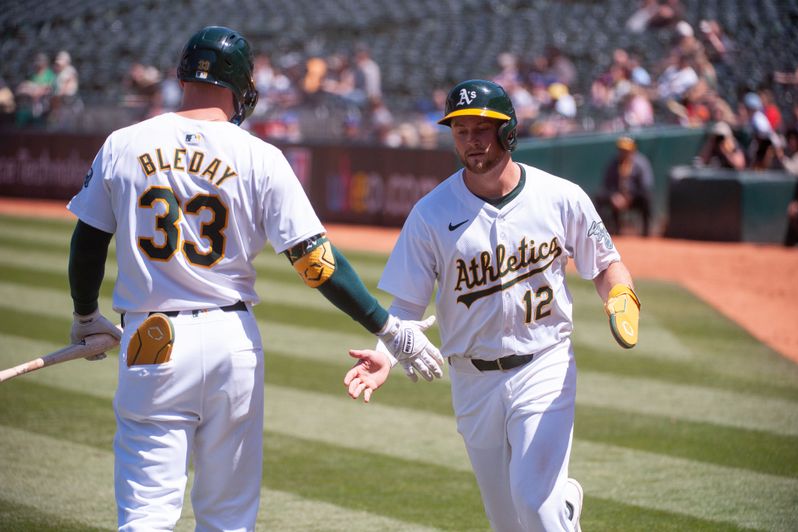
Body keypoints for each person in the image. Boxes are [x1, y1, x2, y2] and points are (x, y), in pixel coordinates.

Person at [65, 26, 443, 531]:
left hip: (151, 340)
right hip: (231, 342)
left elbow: (88, 243)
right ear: (240, 86)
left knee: (146, 515)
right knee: (227, 519)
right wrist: (388, 328)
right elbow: (316, 262)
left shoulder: (123, 143)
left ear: (182, 76)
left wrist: (87, 316)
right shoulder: (260, 155)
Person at [345, 79, 642, 532]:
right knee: (507, 522)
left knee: (534, 505)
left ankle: (554, 510)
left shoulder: (559, 197)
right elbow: (406, 300)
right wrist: (386, 355)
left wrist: (620, 294)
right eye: (461, 130)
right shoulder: (430, 213)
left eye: (483, 128)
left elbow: (606, 265)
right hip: (472, 378)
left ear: (509, 131)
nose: (472, 140)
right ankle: (564, 509)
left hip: (543, 363)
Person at [594, 136, 654, 236]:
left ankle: (646, 233)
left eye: (626, 150)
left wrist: (629, 197)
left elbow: (645, 186)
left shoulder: (641, 163)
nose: (623, 152)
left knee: (646, 197)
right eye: (621, 150)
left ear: (632, 151)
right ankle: (602, 232)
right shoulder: (613, 164)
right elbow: (606, 185)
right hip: (617, 198)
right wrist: (613, 196)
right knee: (599, 197)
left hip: (634, 198)